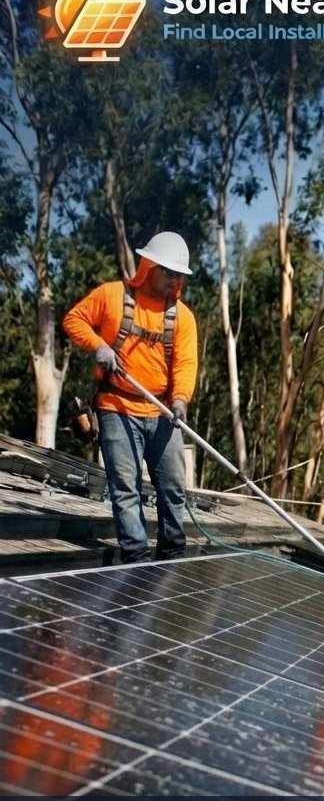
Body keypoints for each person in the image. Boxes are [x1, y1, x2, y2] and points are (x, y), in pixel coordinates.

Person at [63, 232, 197, 564]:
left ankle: (172, 556)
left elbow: (185, 363)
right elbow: (73, 320)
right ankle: (136, 559)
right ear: (149, 266)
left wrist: (180, 400)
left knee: (173, 489)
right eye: (169, 272)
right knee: (125, 486)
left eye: (180, 275)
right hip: (116, 406)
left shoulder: (182, 317)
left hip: (163, 411)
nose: (175, 280)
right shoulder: (111, 296)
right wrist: (99, 346)